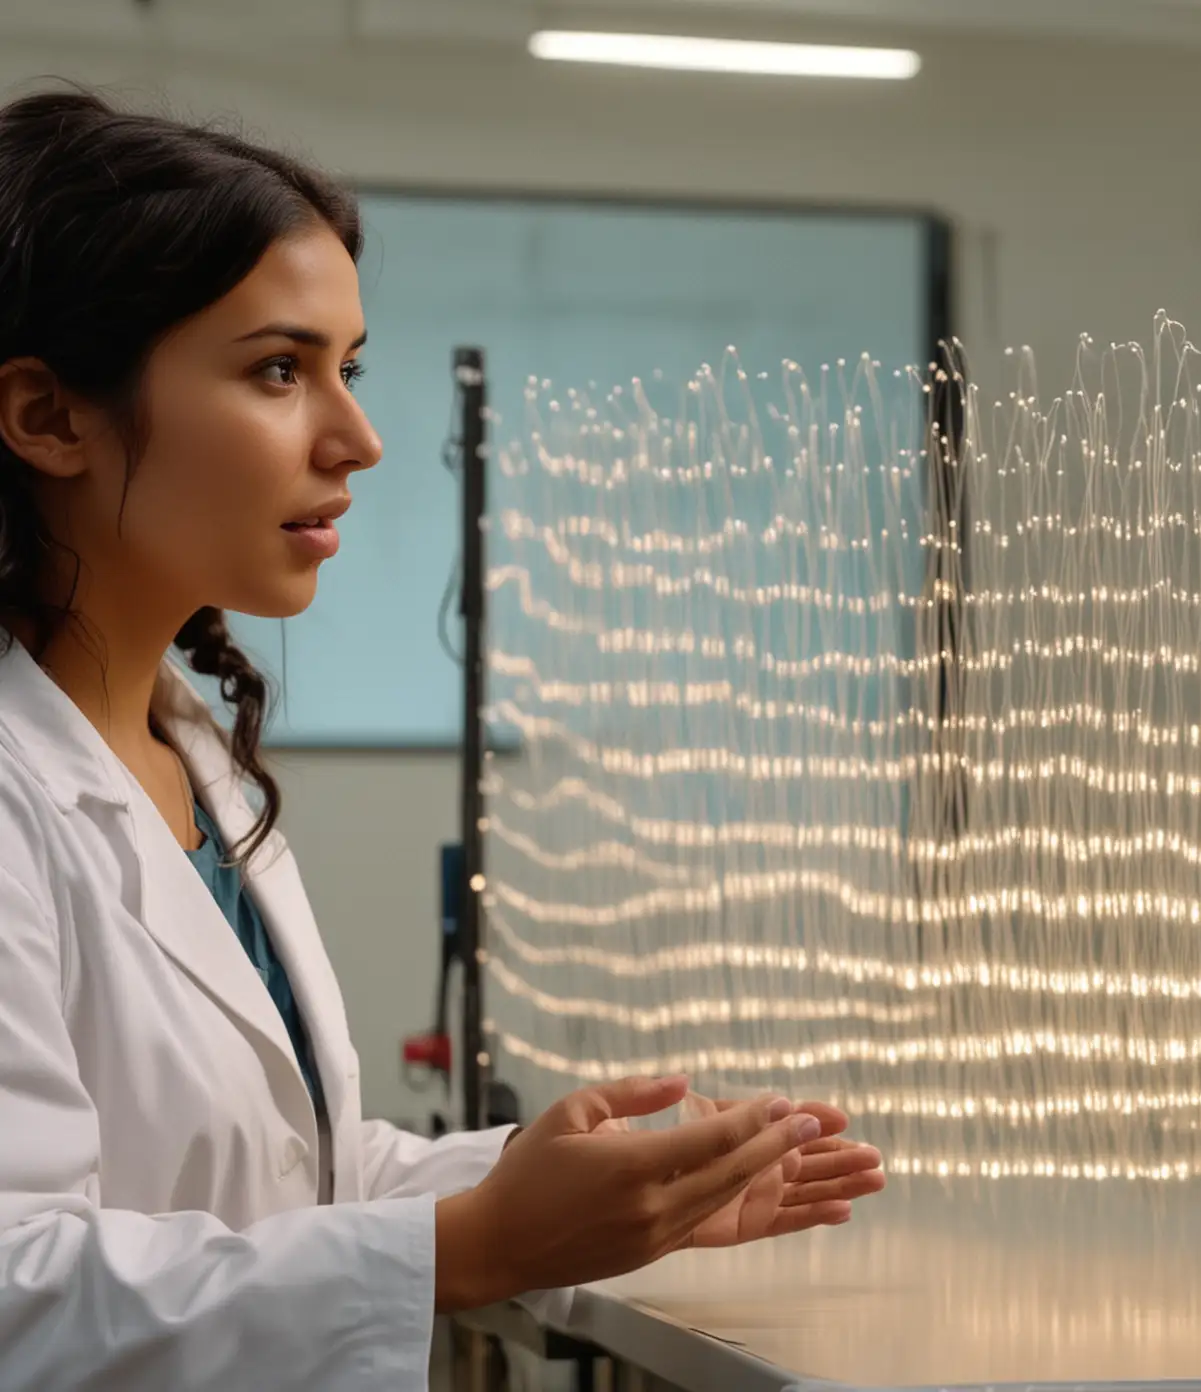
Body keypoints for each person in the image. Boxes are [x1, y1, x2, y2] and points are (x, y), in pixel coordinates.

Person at [0, 86, 886, 1390]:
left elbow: (287, 1180)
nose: (356, 439)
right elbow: (23, 1302)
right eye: (277, 370)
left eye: (346, 368)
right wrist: (467, 1246)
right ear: (47, 416)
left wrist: (561, 1192)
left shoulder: (182, 752)